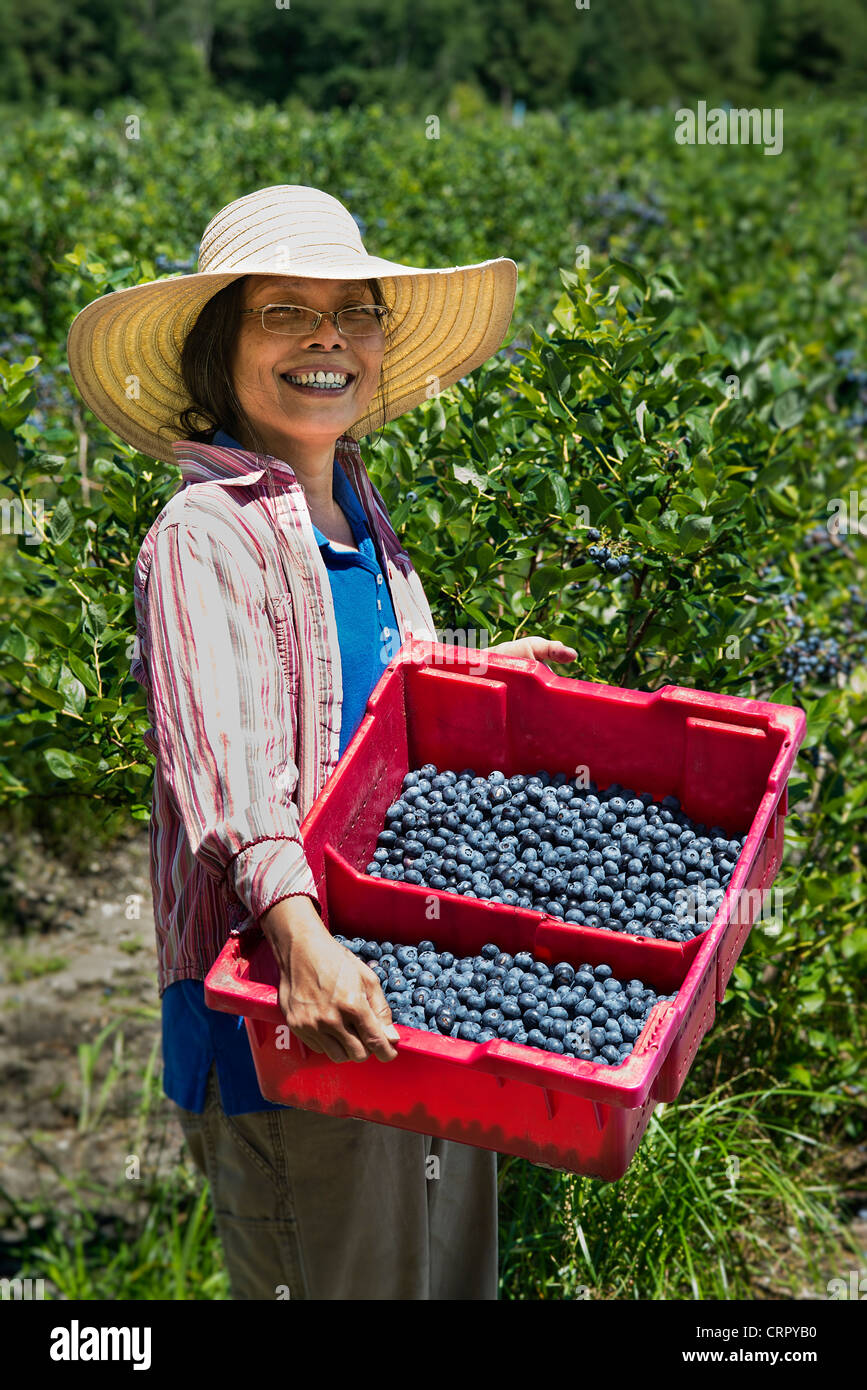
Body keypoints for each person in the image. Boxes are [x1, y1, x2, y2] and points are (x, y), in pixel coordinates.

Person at [66, 185, 578, 1300]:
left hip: (402, 984)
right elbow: (232, 775)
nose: (326, 340)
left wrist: (474, 672)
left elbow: (364, 706)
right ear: (220, 349)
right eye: (283, 313)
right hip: (287, 1002)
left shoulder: (354, 509)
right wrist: (304, 944)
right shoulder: (205, 532)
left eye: (354, 312)